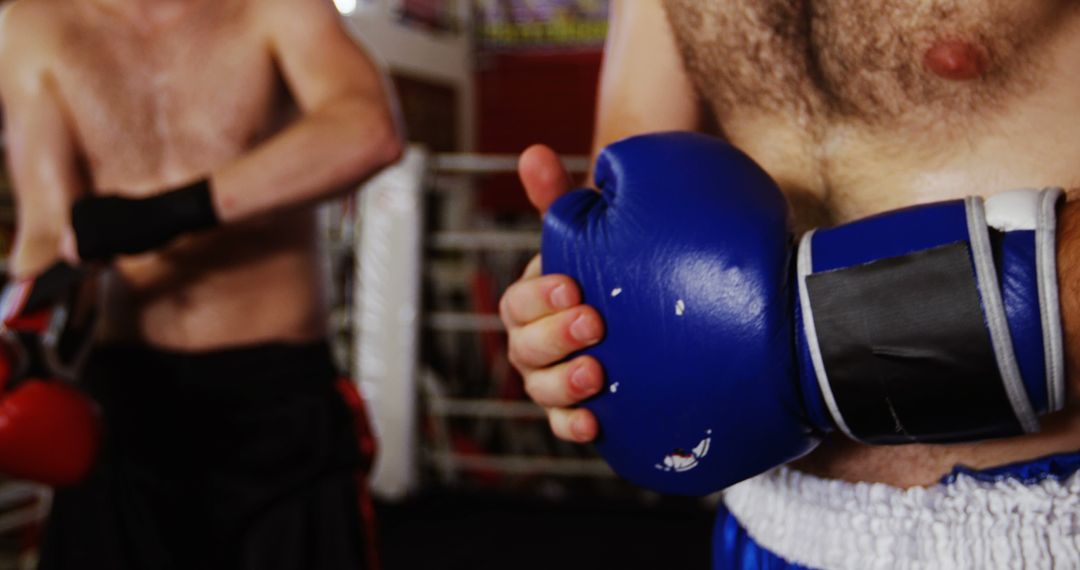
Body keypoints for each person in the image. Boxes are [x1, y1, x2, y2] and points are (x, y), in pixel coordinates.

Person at [500, 1, 1080, 567]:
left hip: (1045, 526)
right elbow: (628, 236)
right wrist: (566, 323)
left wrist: (818, 338)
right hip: (769, 523)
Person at [0, 0, 402, 568]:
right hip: (121, 404)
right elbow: (49, 231)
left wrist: (168, 212)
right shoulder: (36, 24)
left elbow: (367, 130)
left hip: (276, 400)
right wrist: (19, 339)